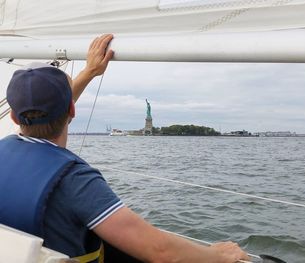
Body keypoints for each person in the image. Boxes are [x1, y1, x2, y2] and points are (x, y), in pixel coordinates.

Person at [0, 34, 249, 263]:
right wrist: (217, 255)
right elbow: (160, 252)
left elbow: (44, 113)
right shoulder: (74, 180)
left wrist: (89, 72)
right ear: (72, 111)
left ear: (13, 118)